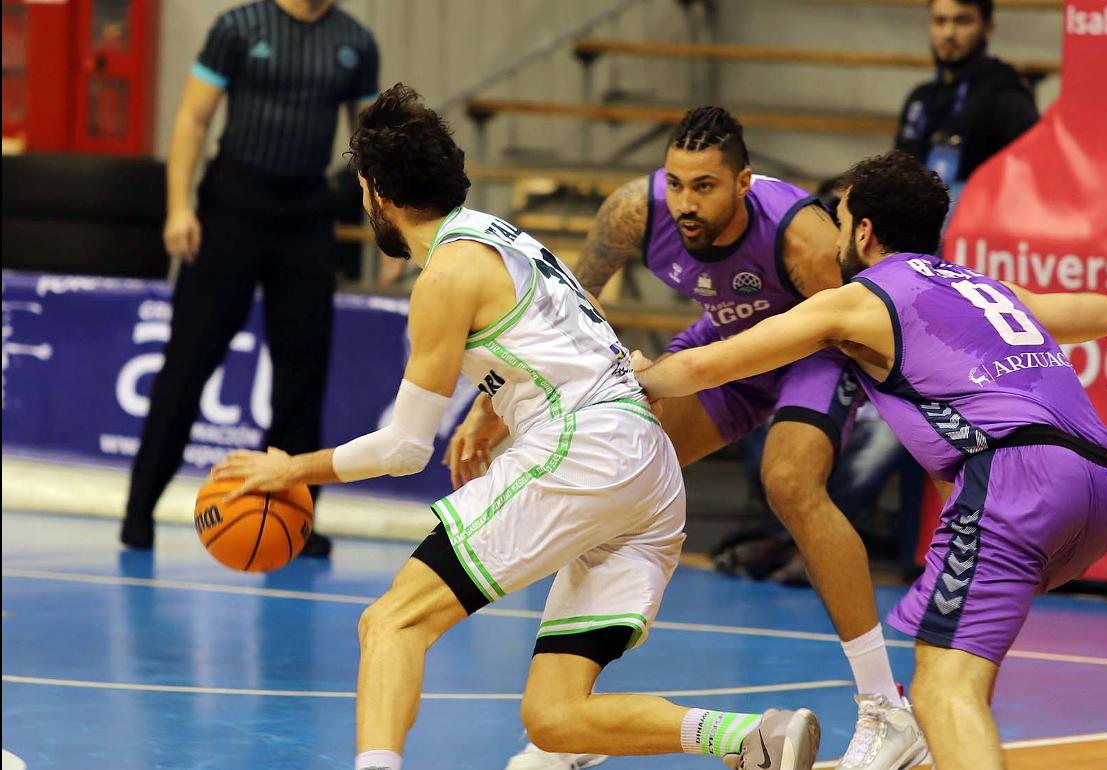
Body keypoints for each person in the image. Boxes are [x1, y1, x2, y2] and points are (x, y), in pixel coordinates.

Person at [211, 83, 822, 770]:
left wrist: (290, 468)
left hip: (584, 449)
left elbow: (405, 448)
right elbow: (544, 350)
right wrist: (489, 409)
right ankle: (750, 738)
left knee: (392, 621)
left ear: (378, 194)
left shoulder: (445, 276)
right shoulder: (501, 235)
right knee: (555, 719)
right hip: (648, 465)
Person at [453, 107, 929, 770]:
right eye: (675, 183)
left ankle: (887, 709)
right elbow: (553, 319)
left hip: (812, 348)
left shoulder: (808, 242)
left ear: (744, 184)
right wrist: (489, 408)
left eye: (704, 186)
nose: (685, 201)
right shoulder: (631, 214)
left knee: (789, 483)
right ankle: (577, 723)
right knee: (612, 463)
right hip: (727, 341)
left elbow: (860, 326)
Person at [632, 150, 1107, 770]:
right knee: (962, 672)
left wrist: (643, 375)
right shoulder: (985, 288)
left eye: (839, 224)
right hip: (1101, 492)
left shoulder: (860, 299)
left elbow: (707, 368)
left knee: (941, 691)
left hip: (1015, 483)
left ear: (862, 232)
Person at [120, 0, 379, 555]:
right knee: (188, 360)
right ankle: (138, 510)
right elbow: (193, 118)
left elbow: (369, 145)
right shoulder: (238, 27)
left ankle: (292, 516)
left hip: (308, 211)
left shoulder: (355, 41)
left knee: (303, 373)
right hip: (232, 202)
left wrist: (388, 226)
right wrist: (178, 208)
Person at [895, 0, 1039, 194]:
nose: (949, 33)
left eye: (962, 21)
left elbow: (1027, 183)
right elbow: (899, 175)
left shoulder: (1009, 97)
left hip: (980, 219)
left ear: (987, 26)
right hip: (921, 218)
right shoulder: (919, 99)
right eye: (940, 21)